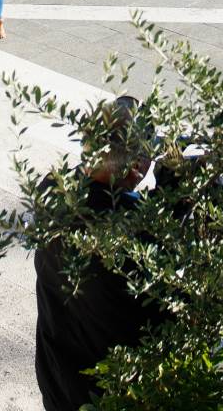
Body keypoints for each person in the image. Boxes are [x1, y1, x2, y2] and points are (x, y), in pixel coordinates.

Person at [34, 96, 166, 411]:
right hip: (108, 398)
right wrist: (177, 201)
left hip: (58, 381)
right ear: (136, 167)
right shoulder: (136, 234)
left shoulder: (51, 190)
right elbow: (172, 310)